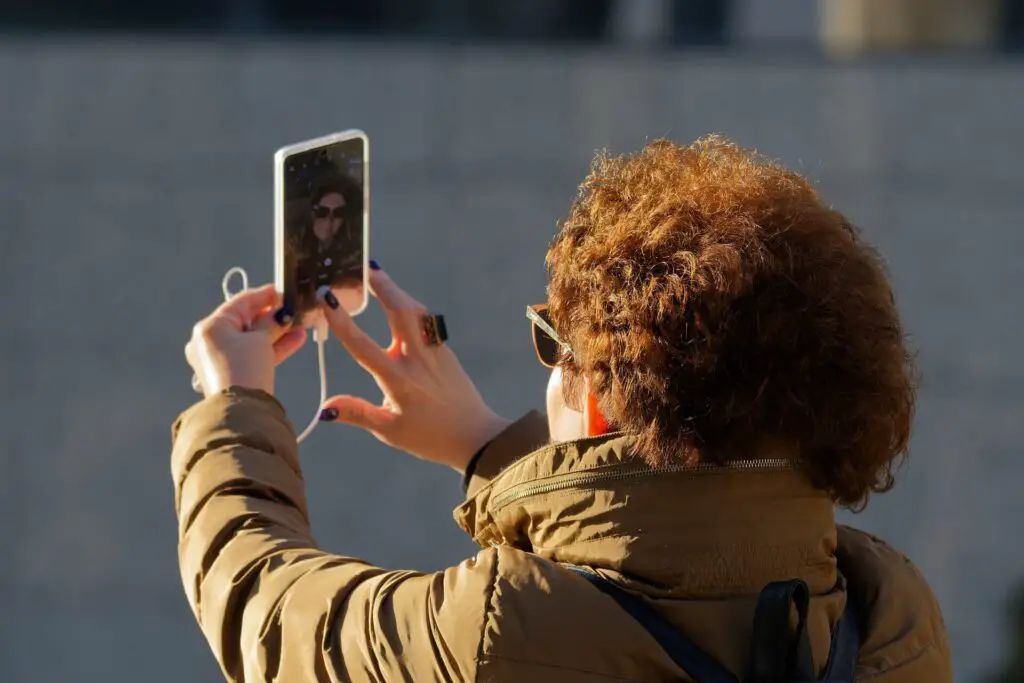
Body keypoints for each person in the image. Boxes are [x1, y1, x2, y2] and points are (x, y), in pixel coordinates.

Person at [177, 136, 952, 682]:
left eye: (555, 344)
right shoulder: (895, 618)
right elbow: (692, 535)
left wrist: (236, 403)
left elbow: (262, 604)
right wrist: (487, 447)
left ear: (609, 402)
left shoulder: (497, 631)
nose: (547, 373)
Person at [292, 174, 363, 312]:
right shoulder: (294, 246)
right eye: (322, 212)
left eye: (338, 213)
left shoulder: (353, 255)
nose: (329, 219)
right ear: (313, 213)